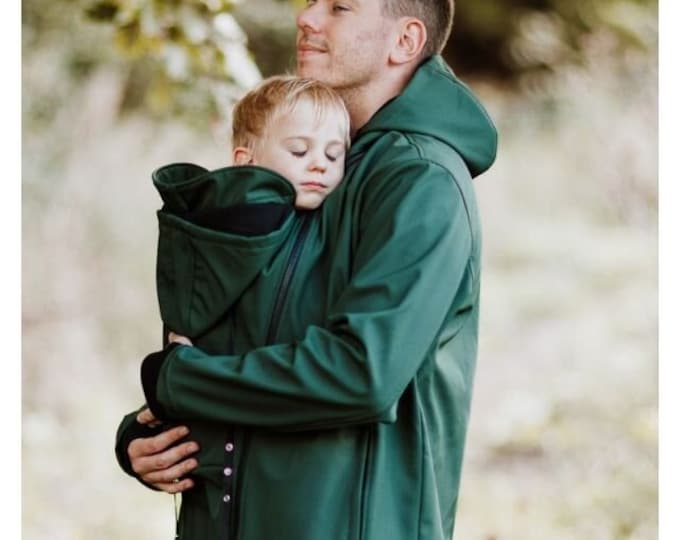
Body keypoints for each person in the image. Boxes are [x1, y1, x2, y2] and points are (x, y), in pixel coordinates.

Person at [115, 1, 498, 539]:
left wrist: (179, 382)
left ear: (406, 41)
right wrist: (147, 435)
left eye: (339, 6)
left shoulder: (419, 180)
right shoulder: (310, 167)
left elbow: (360, 374)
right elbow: (247, 337)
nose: (308, 17)